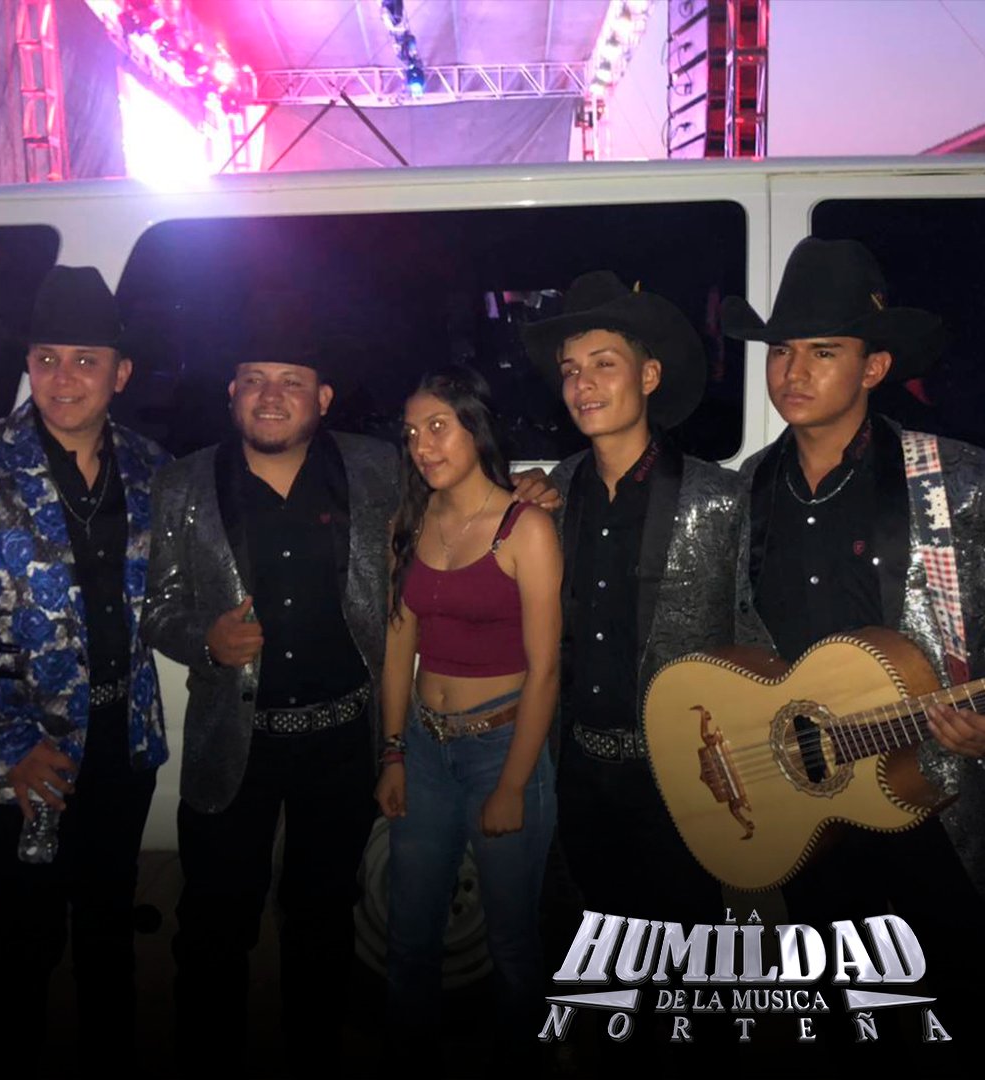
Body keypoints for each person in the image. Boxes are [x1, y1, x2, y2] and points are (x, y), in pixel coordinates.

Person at [141, 316, 559, 1078]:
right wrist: (205, 637)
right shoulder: (182, 484)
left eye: (292, 381)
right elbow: (158, 608)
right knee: (213, 923)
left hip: (342, 741)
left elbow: (468, 482)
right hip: (234, 742)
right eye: (255, 380)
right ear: (232, 392)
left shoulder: (376, 468)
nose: (272, 395)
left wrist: (536, 482)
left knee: (323, 918)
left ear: (323, 397)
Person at [723, 236, 985, 1074]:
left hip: (932, 791)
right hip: (812, 803)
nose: (792, 371)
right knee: (837, 1015)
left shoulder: (954, 480)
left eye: (823, 351)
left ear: (874, 367)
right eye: (782, 350)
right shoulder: (747, 491)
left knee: (951, 1006)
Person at [0, 265, 170, 1075]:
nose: (63, 378)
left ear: (120, 374)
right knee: (26, 940)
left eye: (85, 360)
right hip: (24, 757)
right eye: (47, 357)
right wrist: (9, 744)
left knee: (107, 936)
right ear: (27, 363)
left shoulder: (153, 469)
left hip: (123, 747)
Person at [520, 271, 740, 1063]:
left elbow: (751, 638)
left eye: (603, 364)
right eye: (570, 370)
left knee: (689, 976)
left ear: (648, 376)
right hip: (577, 770)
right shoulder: (547, 498)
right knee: (592, 966)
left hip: (679, 779)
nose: (582, 384)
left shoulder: (720, 499)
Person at [375, 364, 562, 1075]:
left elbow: (545, 670)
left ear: (475, 428)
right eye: (411, 433)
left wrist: (512, 785)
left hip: (502, 745)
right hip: (426, 748)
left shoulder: (525, 528)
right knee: (409, 934)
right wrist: (394, 752)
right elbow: (399, 650)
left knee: (512, 943)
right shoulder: (409, 521)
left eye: (437, 427)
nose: (422, 446)